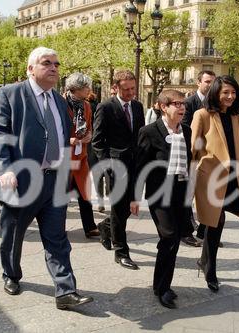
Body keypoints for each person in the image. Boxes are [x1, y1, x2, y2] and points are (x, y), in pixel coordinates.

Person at [0, 47, 92, 310]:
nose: (54, 67)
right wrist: (5, 169)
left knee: (57, 238)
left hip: (54, 180)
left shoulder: (58, 100)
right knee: (13, 235)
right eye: (47, 63)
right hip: (22, 179)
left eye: (57, 63)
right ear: (30, 68)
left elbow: (57, 133)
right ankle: (11, 274)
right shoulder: (9, 95)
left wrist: (77, 139)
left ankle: (65, 290)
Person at [130, 89, 192, 309]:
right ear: (163, 107)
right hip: (159, 193)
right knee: (169, 236)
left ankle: (162, 285)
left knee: (174, 241)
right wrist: (135, 197)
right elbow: (140, 166)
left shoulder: (186, 130)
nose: (182, 107)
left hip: (181, 192)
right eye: (177, 103)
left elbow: (188, 162)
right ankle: (162, 288)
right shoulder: (149, 131)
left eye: (183, 103)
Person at [191, 75, 239, 292]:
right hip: (210, 177)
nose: (230, 96)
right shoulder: (202, 114)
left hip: (233, 177)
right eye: (226, 92)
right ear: (215, 92)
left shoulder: (236, 117)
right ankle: (210, 269)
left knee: (214, 221)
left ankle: (204, 260)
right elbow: (194, 147)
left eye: (233, 93)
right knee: (216, 220)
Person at [92, 70, 145, 270]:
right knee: (118, 206)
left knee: (129, 207)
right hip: (115, 166)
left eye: (133, 88)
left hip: (135, 164)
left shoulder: (138, 107)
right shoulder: (105, 107)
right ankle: (121, 251)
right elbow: (97, 142)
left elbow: (139, 136)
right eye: (126, 89)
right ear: (116, 87)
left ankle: (105, 227)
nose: (131, 92)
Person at [181, 70, 216, 247]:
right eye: (207, 81)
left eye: (213, 82)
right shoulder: (188, 103)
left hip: (209, 157)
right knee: (188, 194)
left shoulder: (216, 104)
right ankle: (186, 232)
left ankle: (205, 231)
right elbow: (185, 130)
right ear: (198, 82)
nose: (210, 85)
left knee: (207, 195)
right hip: (192, 155)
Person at [64, 73, 99, 239]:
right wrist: (68, 139)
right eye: (86, 87)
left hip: (81, 155)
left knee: (85, 193)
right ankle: (56, 227)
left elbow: (89, 125)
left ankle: (90, 227)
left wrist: (89, 135)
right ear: (75, 89)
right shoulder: (60, 103)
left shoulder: (86, 105)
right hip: (64, 157)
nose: (89, 90)